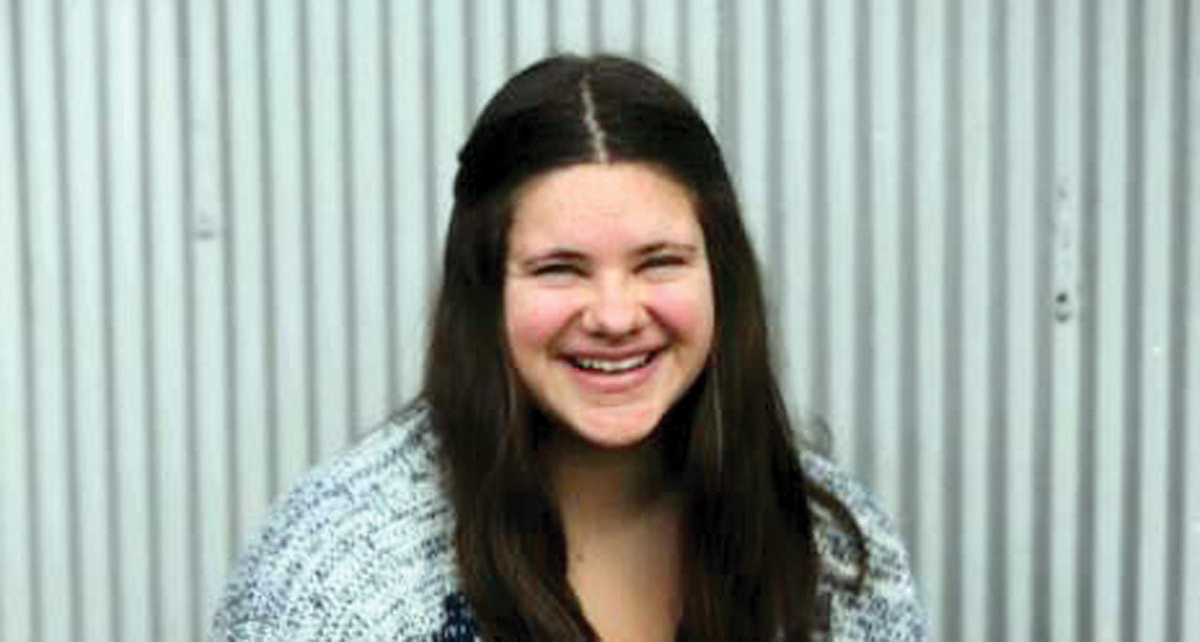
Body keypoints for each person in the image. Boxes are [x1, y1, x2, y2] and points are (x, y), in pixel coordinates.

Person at [210, 55, 927, 640]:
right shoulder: (334, 579)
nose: (615, 316)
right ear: (484, 290)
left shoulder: (835, 553)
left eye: (659, 262)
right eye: (560, 268)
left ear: (721, 276)